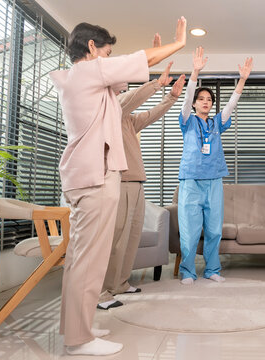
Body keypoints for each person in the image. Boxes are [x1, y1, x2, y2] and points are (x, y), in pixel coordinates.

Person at [49, 18, 186, 356]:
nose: (109, 60)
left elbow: (128, 81)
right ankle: (78, 339)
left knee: (83, 259)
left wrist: (153, 71)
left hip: (92, 177)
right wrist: (177, 43)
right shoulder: (86, 71)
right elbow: (139, 64)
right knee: (88, 260)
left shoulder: (92, 85)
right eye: (107, 53)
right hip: (94, 179)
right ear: (91, 48)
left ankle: (75, 328)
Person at [97, 57, 186, 310]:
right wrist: (157, 84)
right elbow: (129, 101)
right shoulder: (110, 107)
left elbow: (149, 114)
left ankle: (120, 284)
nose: (125, 84)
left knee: (131, 238)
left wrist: (171, 98)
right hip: (120, 181)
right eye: (122, 80)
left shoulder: (127, 118)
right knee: (116, 239)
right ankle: (102, 291)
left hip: (136, 183)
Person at [177, 46, 253, 285]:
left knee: (213, 229)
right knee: (189, 230)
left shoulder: (217, 123)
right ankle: (187, 272)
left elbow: (231, 104)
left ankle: (212, 269)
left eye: (209, 99)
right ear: (195, 104)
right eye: (202, 99)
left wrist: (242, 80)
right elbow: (186, 97)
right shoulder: (187, 120)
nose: (206, 102)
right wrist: (195, 73)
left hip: (214, 181)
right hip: (190, 180)